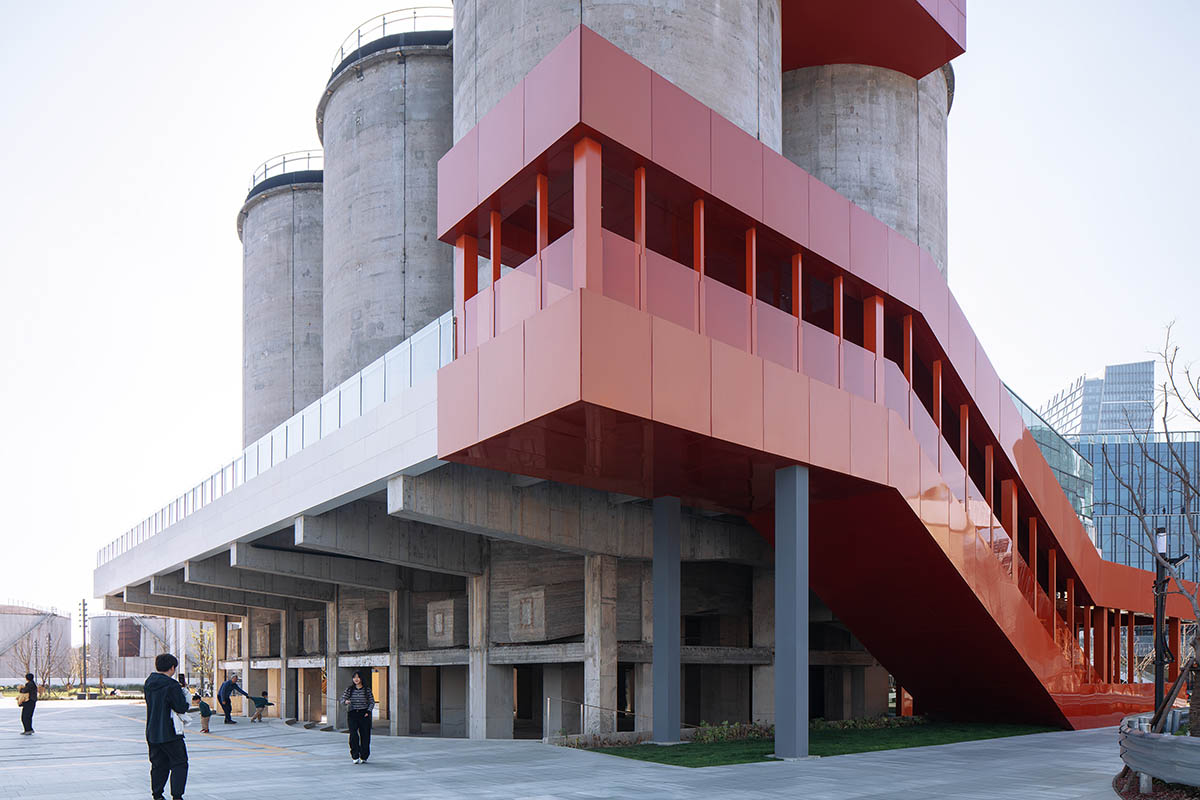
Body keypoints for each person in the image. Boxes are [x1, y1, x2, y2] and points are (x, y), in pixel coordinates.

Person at [145, 654, 190, 800]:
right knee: (179, 763)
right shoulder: (172, 685)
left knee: (158, 764)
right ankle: (177, 796)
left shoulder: (149, 682)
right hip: (170, 732)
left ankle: (157, 795)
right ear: (172, 668)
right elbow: (180, 707)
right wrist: (184, 694)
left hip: (152, 731)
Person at [341, 670, 375, 764]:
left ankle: (364, 755)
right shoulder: (350, 689)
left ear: (361, 678)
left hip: (364, 714)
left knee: (365, 735)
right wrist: (346, 702)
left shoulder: (366, 690)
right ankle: (355, 755)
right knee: (353, 735)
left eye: (358, 677)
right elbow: (342, 699)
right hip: (352, 714)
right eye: (354, 677)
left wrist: (368, 711)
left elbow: (372, 702)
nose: (356, 679)